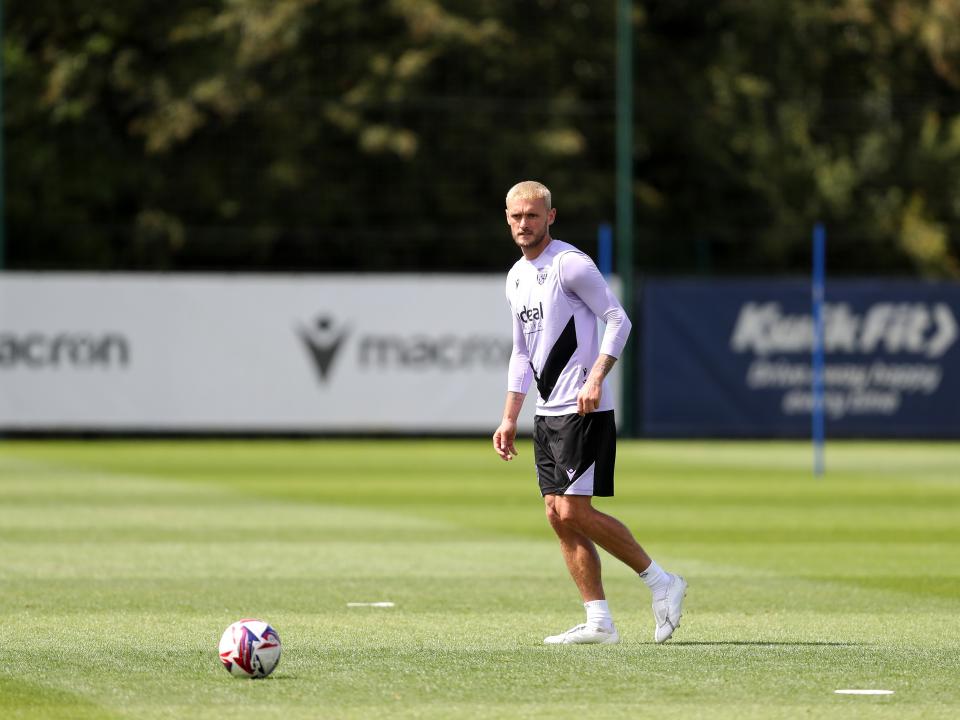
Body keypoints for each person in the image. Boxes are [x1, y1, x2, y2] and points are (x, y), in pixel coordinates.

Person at [492, 180, 687, 645]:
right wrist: (508, 416)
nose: (524, 223)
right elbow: (522, 353)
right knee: (557, 515)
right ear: (507, 217)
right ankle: (599, 621)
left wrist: (597, 377)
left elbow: (619, 318)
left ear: (550, 217)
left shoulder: (569, 264)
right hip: (547, 411)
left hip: (583, 407)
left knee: (574, 509)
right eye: (517, 216)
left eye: (533, 216)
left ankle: (662, 582)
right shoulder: (515, 277)